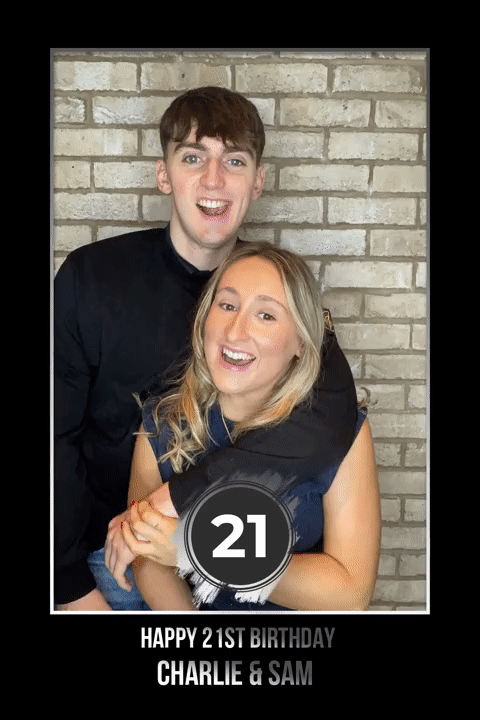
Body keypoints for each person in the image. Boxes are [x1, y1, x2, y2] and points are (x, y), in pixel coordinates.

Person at [54, 86, 358, 611]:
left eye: (233, 161)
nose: (213, 180)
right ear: (163, 174)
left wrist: (180, 511)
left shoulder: (281, 290)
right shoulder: (91, 278)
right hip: (110, 565)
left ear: (258, 181)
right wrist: (69, 588)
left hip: (224, 556)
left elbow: (333, 412)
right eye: (193, 157)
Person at [109, 242, 380, 611]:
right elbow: (145, 557)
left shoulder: (344, 434)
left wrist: (200, 550)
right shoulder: (162, 424)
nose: (235, 331)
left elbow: (350, 592)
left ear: (301, 343)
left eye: (266, 315)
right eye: (227, 305)